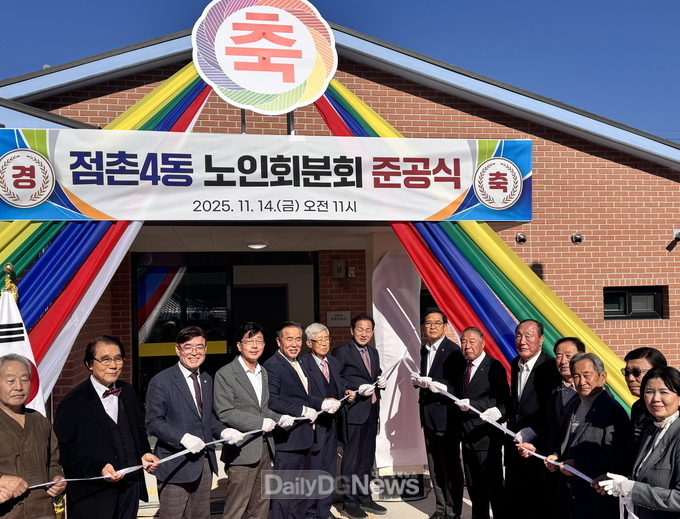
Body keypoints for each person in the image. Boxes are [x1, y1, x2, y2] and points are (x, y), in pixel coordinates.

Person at [54, 336, 159, 519]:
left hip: (130, 486)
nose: (113, 365)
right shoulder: (72, 402)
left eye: (118, 358)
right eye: (105, 359)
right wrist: (98, 468)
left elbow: (138, 429)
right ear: (89, 364)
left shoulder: (128, 391)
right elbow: (63, 450)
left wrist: (143, 452)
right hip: (93, 494)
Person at [145, 326, 244, 519]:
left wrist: (223, 431)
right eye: (188, 347)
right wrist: (182, 438)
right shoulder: (162, 381)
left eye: (199, 347)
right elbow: (153, 422)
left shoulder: (206, 379)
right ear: (178, 350)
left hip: (204, 464)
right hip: (175, 465)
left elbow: (207, 419)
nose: (194, 352)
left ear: (205, 349)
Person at [213, 322, 291, 519]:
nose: (255, 346)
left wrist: (279, 418)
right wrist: (260, 423)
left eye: (259, 341)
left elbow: (263, 409)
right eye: (249, 341)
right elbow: (225, 412)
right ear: (239, 345)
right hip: (242, 450)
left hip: (265, 448)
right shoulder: (225, 374)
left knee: (261, 506)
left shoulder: (263, 372)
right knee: (236, 508)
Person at [545, 353, 629, 519]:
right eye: (576, 376)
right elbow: (567, 439)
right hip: (573, 496)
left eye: (587, 375)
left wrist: (578, 465)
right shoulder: (575, 403)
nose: (581, 382)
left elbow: (615, 454)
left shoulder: (612, 410)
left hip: (598, 498)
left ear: (602, 377)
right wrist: (556, 455)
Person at [595, 366, 680, 518]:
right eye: (649, 392)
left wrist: (630, 488)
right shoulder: (650, 430)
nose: (655, 398)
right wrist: (619, 482)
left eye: (664, 392)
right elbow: (645, 478)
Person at [519, 337, 586, 519]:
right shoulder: (555, 388)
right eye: (558, 356)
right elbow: (551, 426)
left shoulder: (591, 392)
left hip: (578, 471)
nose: (563, 361)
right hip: (553, 469)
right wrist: (535, 446)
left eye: (569, 355)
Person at [264, 321, 324, 519]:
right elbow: (272, 400)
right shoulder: (272, 366)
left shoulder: (300, 362)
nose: (294, 344)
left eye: (298, 339)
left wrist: (322, 403)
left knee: (300, 493)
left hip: (305, 438)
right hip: (287, 440)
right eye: (289, 339)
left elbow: (304, 396)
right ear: (278, 341)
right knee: (284, 494)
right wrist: (302, 410)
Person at [331, 314, 387, 519]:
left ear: (372, 332)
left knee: (366, 458)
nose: (364, 333)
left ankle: (365, 497)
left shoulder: (373, 352)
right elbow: (335, 379)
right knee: (352, 460)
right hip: (353, 413)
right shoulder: (341, 351)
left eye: (368, 330)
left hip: (371, 412)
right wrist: (354, 387)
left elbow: (374, 374)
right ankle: (350, 502)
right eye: (360, 329)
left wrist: (381, 381)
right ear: (352, 330)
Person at [504, 319, 561, 519]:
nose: (522, 341)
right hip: (515, 442)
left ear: (541, 339)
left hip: (538, 446)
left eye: (528, 336)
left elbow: (553, 411)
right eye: (518, 336)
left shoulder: (551, 367)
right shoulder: (515, 363)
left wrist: (535, 432)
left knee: (537, 501)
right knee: (516, 498)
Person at [410, 310, 464, 519]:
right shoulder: (425, 350)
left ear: (445, 326)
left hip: (446, 417)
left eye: (437, 323)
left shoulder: (453, 351)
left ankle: (453, 511)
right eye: (428, 323)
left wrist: (435, 384)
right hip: (428, 416)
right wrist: (419, 382)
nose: (432, 327)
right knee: (434, 467)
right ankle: (441, 508)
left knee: (450, 466)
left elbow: (456, 385)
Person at [450, 327, 509, 519]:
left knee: (494, 487)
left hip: (486, 438)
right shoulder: (462, 366)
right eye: (463, 342)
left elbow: (501, 400)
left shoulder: (494, 366)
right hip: (467, 437)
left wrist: (473, 404)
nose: (467, 346)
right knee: (475, 489)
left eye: (471, 341)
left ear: (483, 343)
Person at [0, 354, 66, 518]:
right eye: (10, 381)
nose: (19, 387)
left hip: (43, 511)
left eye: (24, 380)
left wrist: (57, 478)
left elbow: (53, 461)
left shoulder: (39, 420)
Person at [300, 322, 354, 519]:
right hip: (314, 426)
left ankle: (324, 510)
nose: (324, 343)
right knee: (314, 471)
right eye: (319, 340)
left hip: (332, 425)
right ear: (309, 343)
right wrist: (321, 403)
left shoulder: (333, 361)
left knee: (329, 470)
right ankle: (310, 513)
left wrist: (346, 391)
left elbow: (338, 383)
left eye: (326, 339)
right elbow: (302, 395)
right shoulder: (303, 364)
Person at [622, 347, 667, 463]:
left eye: (636, 372)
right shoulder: (637, 406)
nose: (630, 378)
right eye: (627, 372)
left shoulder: (667, 409)